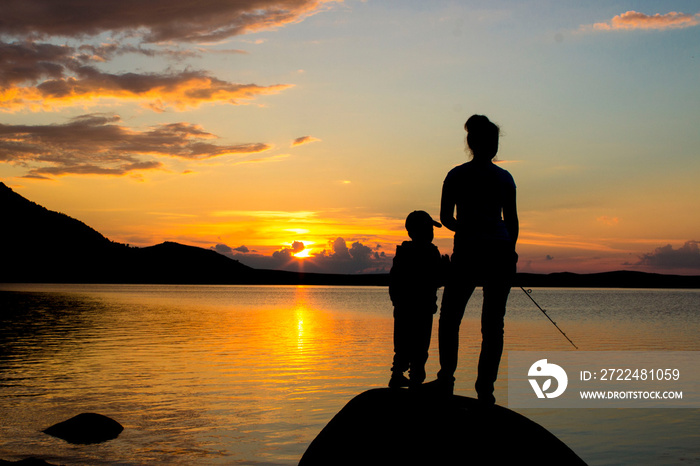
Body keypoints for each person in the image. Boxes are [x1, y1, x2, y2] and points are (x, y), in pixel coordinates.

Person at [434, 114, 519, 404]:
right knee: (493, 324)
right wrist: (510, 249)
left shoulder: (457, 175)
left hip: (471, 252)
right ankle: (486, 389)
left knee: (450, 318)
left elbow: (446, 218)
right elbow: (512, 223)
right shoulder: (505, 178)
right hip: (499, 253)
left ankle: (447, 377)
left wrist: (465, 227)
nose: (493, 146)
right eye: (492, 141)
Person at [388, 210, 449, 389]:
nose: (432, 233)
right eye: (429, 229)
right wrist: (446, 270)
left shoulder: (403, 253)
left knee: (402, 346)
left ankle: (398, 376)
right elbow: (435, 280)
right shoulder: (431, 253)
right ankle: (414, 381)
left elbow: (394, 282)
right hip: (421, 309)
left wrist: (397, 302)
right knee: (420, 349)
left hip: (403, 309)